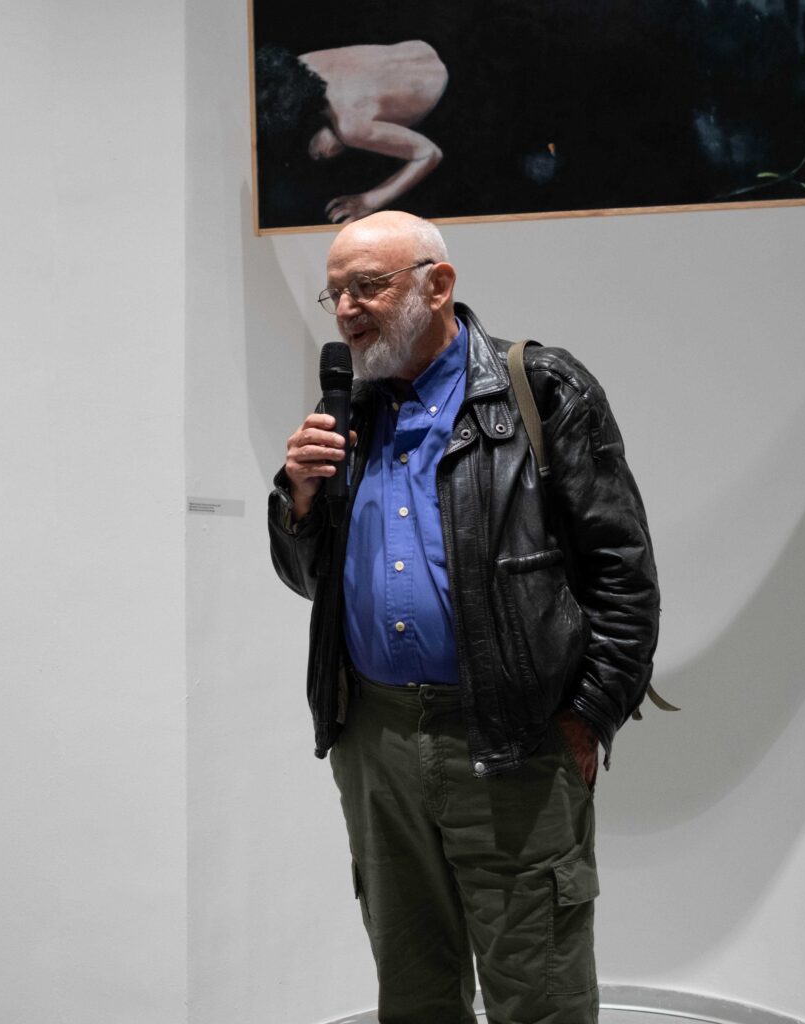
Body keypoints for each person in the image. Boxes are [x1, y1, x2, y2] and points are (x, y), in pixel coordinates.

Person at [269, 211, 660, 1023]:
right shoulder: (349, 416)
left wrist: (586, 718)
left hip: (513, 739)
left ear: (438, 284)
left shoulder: (541, 391)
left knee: (538, 992)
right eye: (336, 293)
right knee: (413, 989)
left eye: (367, 286)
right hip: (376, 741)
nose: (347, 310)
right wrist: (300, 501)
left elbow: (624, 575)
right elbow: (314, 583)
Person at [255, 41, 448, 224]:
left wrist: (369, 201)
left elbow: (430, 154)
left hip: (433, 86)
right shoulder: (302, 63)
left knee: (327, 149)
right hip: (418, 50)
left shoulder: (349, 127)